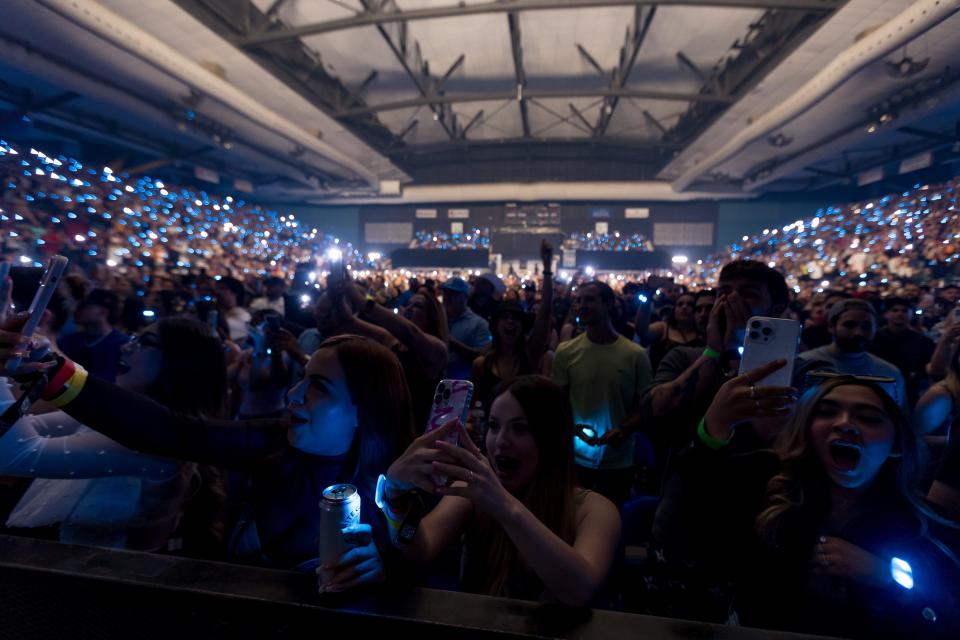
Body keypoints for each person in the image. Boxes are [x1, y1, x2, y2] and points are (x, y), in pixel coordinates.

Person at [0, 322, 415, 590]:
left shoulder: (398, 484)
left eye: (319, 386)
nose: (294, 395)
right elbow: (172, 431)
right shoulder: (273, 440)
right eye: (300, 380)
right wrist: (53, 369)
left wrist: (387, 572)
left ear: (366, 409)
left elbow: (420, 571)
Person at [656, 365, 960, 637]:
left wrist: (886, 574)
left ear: (895, 444)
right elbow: (677, 537)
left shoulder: (921, 522)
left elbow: (946, 605)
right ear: (807, 429)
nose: (844, 424)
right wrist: (711, 433)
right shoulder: (760, 485)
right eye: (827, 412)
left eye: (868, 417)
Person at [380, 376, 621, 605]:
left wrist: (504, 506)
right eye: (494, 426)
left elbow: (580, 590)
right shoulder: (473, 492)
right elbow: (421, 548)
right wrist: (395, 498)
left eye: (520, 428)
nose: (501, 441)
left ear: (552, 438)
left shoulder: (594, 509)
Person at [0, 318, 225, 552]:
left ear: (180, 363)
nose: (126, 346)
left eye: (144, 342)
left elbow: (19, 454)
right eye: (134, 338)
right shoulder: (125, 415)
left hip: (106, 580)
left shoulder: (156, 440)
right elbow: (17, 427)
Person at [552, 280, 652, 508]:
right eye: (577, 300)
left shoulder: (635, 355)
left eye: (588, 299)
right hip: (576, 460)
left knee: (612, 523)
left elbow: (644, 406)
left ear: (608, 304)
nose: (581, 305)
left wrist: (623, 429)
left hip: (619, 462)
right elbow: (559, 401)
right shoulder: (566, 352)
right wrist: (571, 428)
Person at [471, 241, 554, 415]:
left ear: (523, 326)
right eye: (505, 318)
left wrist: (547, 268)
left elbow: (545, 312)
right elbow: (474, 405)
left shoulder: (530, 354)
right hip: (492, 435)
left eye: (515, 319)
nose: (510, 323)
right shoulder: (482, 365)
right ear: (496, 326)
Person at [797, 299, 907, 409]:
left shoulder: (889, 372)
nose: (858, 333)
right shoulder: (805, 363)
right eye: (849, 325)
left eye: (866, 326)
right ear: (831, 326)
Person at [870, 297, 935, 406]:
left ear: (911, 315)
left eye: (904, 311)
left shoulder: (922, 341)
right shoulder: (874, 338)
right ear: (886, 314)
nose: (899, 314)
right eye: (895, 310)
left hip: (909, 390)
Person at [58, 289, 129, 382]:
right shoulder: (71, 339)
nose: (76, 310)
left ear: (103, 312)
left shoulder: (123, 345)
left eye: (84, 306)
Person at [636, 292, 704, 372]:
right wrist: (647, 299)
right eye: (680, 304)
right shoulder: (663, 328)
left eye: (690, 304)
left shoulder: (703, 333)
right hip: (660, 381)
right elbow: (642, 330)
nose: (684, 307)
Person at [443, 277, 492, 381]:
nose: (447, 297)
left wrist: (455, 345)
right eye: (445, 293)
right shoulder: (438, 319)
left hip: (462, 387)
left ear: (465, 297)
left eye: (453, 294)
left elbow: (484, 357)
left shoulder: (479, 324)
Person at [216, 276, 252, 343]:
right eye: (217, 288)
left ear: (235, 292)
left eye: (222, 288)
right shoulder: (223, 311)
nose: (218, 292)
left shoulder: (238, 314)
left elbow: (238, 343)